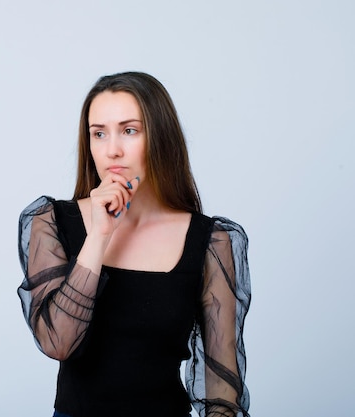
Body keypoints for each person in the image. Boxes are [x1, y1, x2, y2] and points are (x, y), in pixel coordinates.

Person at [17, 71, 251, 417]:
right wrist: (99, 235)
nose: (112, 150)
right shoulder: (51, 221)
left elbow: (221, 386)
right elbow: (57, 342)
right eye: (99, 133)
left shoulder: (211, 241)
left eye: (129, 130)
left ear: (160, 138)